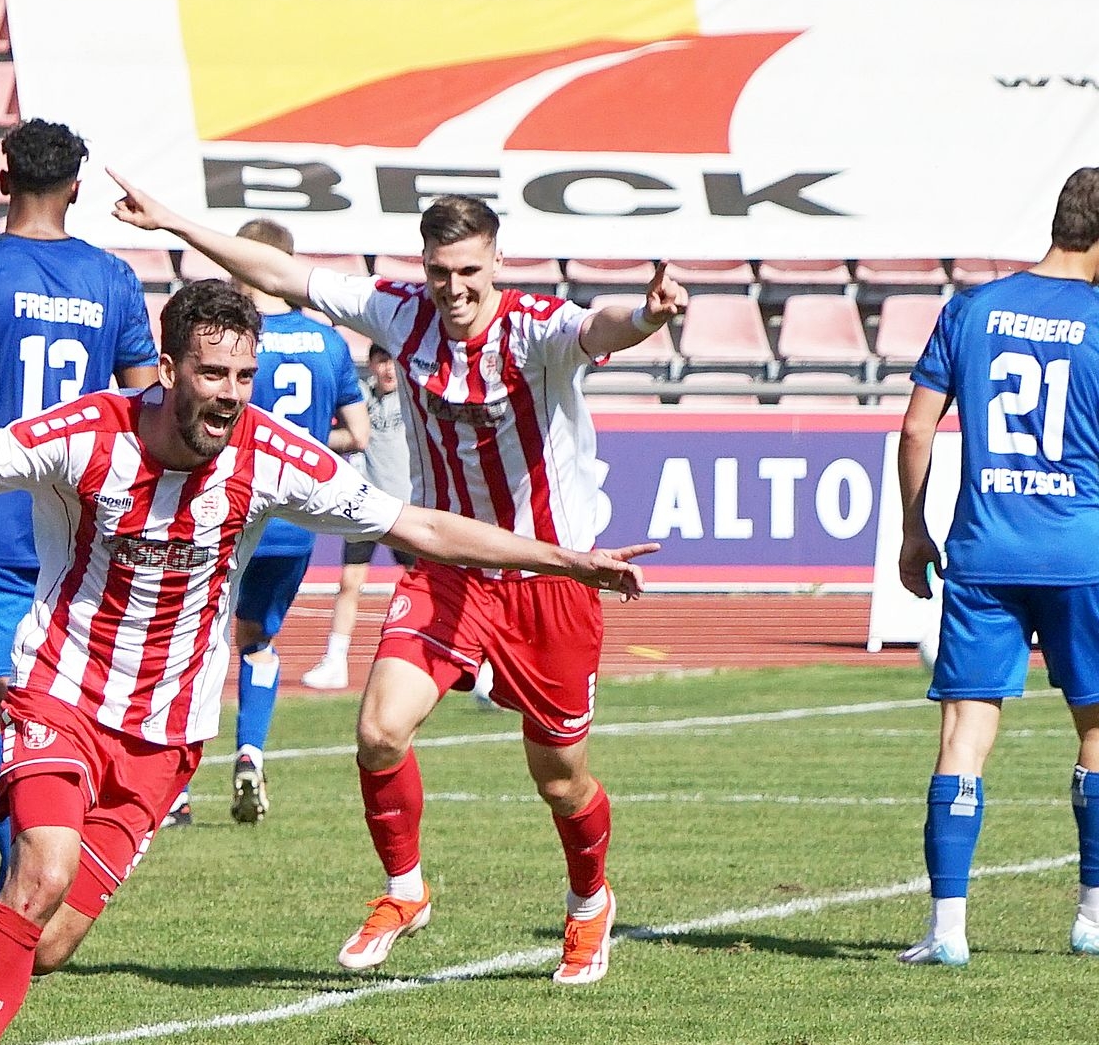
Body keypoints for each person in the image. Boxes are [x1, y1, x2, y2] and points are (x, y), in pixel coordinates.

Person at [0, 280, 656, 1045]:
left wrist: (566, 561)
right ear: (168, 370)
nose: (230, 394)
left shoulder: (271, 454)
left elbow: (418, 526)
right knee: (42, 871)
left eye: (242, 376)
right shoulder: (89, 434)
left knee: (49, 944)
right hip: (58, 695)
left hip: (166, 737)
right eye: (212, 373)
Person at [108, 172, 687, 985]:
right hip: (446, 568)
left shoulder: (534, 328)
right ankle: (405, 890)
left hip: (551, 578)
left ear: (496, 264)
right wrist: (173, 221)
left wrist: (651, 317)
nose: (455, 289)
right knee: (379, 731)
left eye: (470, 272)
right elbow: (279, 273)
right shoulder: (399, 312)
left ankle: (590, 902)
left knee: (560, 780)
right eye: (441, 272)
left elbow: (601, 327)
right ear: (424, 267)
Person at [0, 118, 160, 877]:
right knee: (69, 703)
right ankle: (45, 876)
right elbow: (148, 408)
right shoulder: (113, 279)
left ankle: (20, 878)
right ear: (76, 189)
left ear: (3, 179)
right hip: (83, 522)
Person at [895, 166, 1099, 966]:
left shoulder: (972, 308)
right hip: (1081, 552)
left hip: (984, 551)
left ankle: (947, 929)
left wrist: (914, 531)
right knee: (1096, 728)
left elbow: (917, 429)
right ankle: (1092, 918)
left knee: (964, 733)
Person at [160, 218, 367, 829]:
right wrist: (300, 448)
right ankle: (250, 752)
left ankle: (174, 790)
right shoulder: (328, 342)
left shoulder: (230, 344)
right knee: (258, 641)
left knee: (188, 639)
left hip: (226, 507)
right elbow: (358, 434)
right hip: (294, 520)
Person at [303, 343, 410, 692]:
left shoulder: (410, 398)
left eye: (392, 362)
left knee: (427, 583)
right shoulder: (362, 398)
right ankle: (336, 661)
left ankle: (463, 659)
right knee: (350, 582)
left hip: (407, 508)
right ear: (372, 365)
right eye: (381, 362)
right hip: (367, 508)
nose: (388, 369)